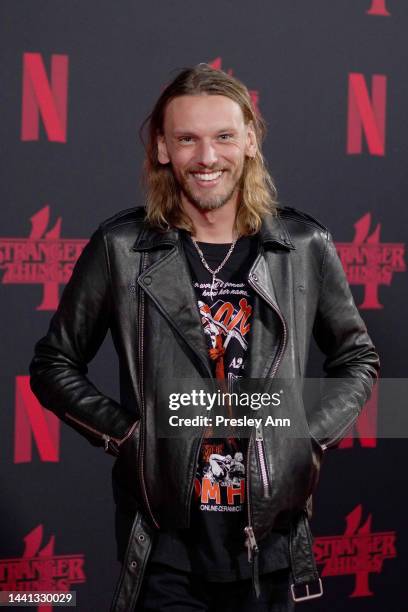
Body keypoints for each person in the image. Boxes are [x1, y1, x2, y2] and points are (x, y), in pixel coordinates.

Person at [29, 64, 380, 611]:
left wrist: (305, 435)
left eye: (223, 137)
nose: (207, 157)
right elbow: (54, 364)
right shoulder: (121, 248)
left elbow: (357, 358)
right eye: (187, 139)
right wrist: (128, 435)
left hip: (273, 548)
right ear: (163, 149)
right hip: (166, 551)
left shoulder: (303, 245)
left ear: (250, 140)